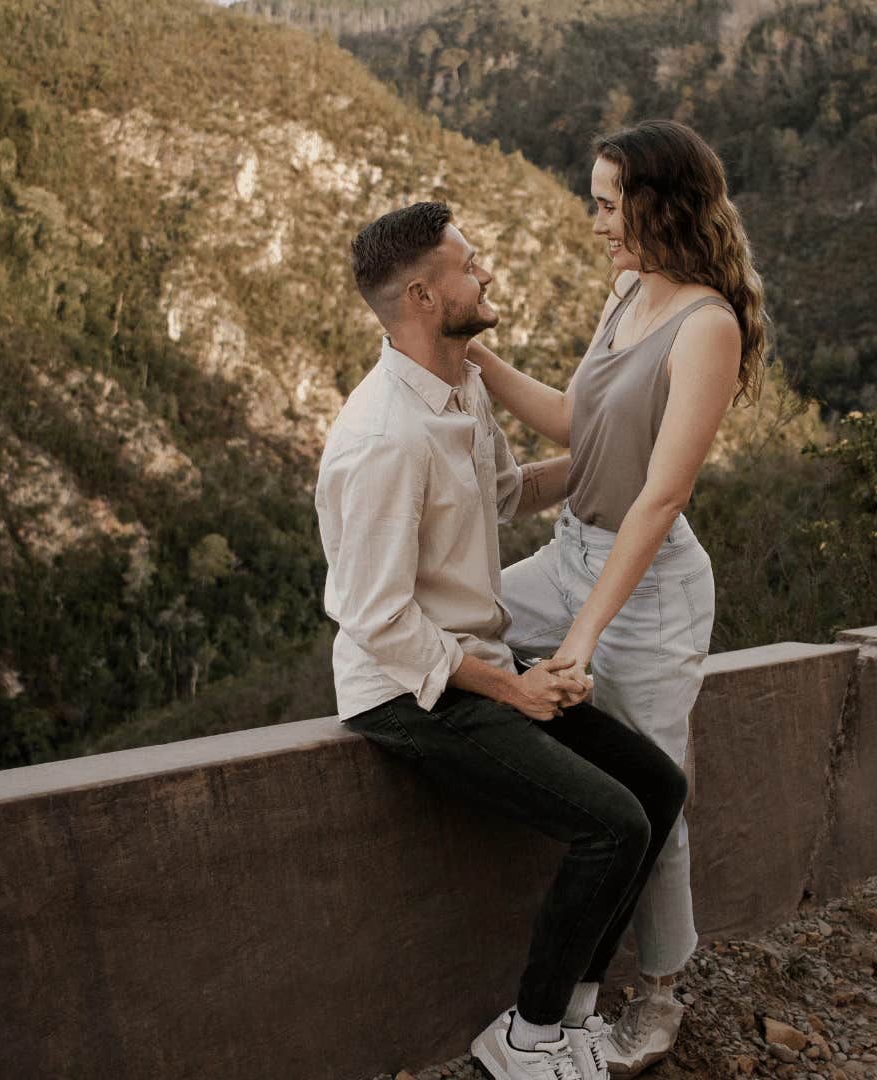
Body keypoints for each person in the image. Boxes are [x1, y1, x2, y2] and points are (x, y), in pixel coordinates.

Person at [318, 200, 689, 1080]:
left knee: (655, 786)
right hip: (410, 694)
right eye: (468, 264)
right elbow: (375, 620)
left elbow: (507, 492)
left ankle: (573, 1014)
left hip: (476, 662)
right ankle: (526, 1036)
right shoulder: (381, 438)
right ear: (421, 295)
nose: (485, 272)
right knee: (611, 826)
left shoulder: (461, 389)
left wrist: (647, 467)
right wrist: (515, 689)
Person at [465, 118, 770, 1076]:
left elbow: (661, 494)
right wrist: (469, 355)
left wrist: (582, 639)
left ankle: (661, 992)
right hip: (569, 556)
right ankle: (581, 980)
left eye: (605, 203)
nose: (594, 222)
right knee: (452, 632)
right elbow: (578, 422)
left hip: (646, 589)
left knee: (654, 789)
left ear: (656, 205)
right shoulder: (628, 292)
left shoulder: (707, 326)